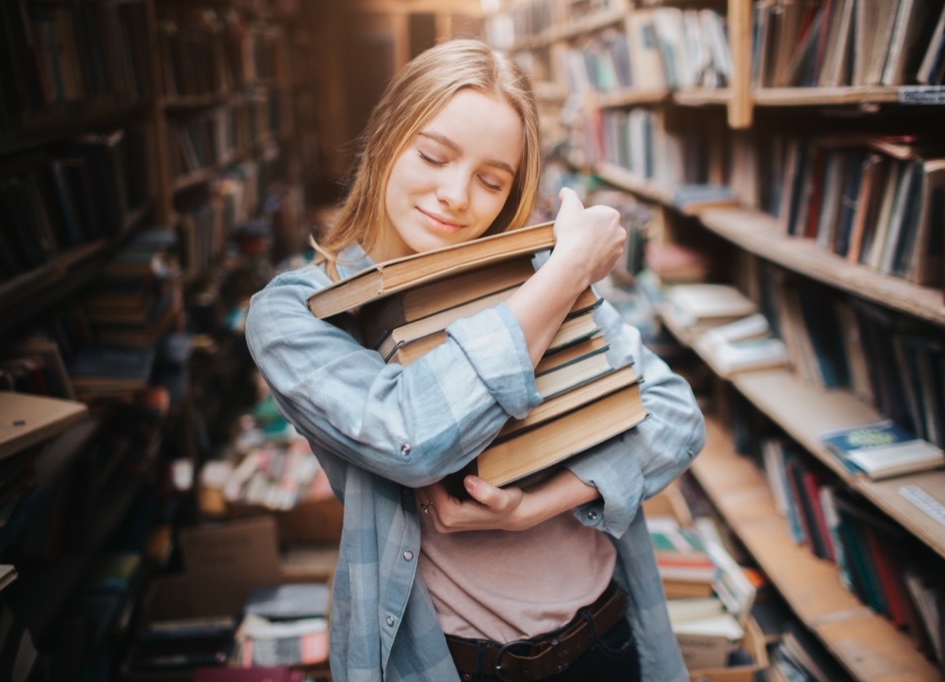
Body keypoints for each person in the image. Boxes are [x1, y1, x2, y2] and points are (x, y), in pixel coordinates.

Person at [245, 38, 706, 682]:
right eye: (432, 156)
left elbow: (677, 417)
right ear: (385, 141)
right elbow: (411, 437)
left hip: (607, 640)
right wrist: (571, 268)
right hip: (455, 666)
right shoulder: (298, 312)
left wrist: (540, 505)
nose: (456, 196)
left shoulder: (533, 276)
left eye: (492, 180)